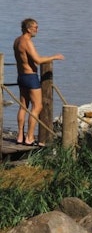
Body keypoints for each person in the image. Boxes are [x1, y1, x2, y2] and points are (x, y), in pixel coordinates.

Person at [13, 18, 64, 146]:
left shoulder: (17, 40)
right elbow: (38, 60)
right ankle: (29, 137)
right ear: (28, 29)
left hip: (21, 76)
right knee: (37, 107)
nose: (37, 30)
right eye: (35, 27)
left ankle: (20, 136)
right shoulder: (27, 42)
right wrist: (55, 57)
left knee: (23, 106)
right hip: (30, 77)